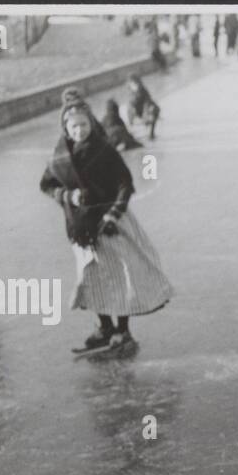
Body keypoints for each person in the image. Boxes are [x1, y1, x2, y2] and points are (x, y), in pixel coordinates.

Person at [39, 97, 173, 353]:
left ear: (92, 123)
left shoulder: (104, 150)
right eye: (74, 126)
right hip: (80, 229)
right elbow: (46, 184)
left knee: (120, 276)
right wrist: (68, 196)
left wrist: (113, 214)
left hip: (110, 224)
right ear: (65, 128)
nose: (80, 130)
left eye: (84, 124)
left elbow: (125, 184)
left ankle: (123, 331)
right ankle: (105, 328)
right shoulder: (58, 157)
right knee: (92, 278)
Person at [125, 73, 161, 140]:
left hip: (145, 110)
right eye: (133, 83)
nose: (136, 85)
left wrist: (151, 108)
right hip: (137, 111)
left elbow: (149, 100)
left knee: (154, 110)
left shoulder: (143, 90)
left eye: (136, 83)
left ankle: (151, 133)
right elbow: (130, 106)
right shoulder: (131, 94)